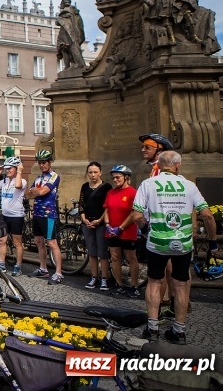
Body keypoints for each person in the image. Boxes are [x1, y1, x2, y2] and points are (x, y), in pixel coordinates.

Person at [130, 151, 218, 344]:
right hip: (183, 244)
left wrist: (146, 229)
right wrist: (213, 241)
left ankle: (152, 329)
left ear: (159, 166)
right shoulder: (189, 185)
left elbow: (136, 216)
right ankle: (179, 331)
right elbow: (208, 216)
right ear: (178, 165)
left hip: (157, 242)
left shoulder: (148, 184)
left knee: (154, 281)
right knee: (179, 285)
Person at [139, 133, 178, 317]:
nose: (143, 150)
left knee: (161, 270)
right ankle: (174, 302)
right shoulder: (154, 169)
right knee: (169, 267)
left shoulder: (159, 171)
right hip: (160, 224)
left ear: (159, 150)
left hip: (159, 225)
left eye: (148, 147)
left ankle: (161, 308)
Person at [25, 150, 64, 285]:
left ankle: (58, 273)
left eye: (44, 163)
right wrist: (36, 192)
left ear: (49, 162)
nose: (42, 165)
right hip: (37, 213)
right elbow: (28, 194)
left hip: (49, 215)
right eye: (40, 163)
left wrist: (37, 192)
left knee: (52, 243)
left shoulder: (54, 176)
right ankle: (43, 269)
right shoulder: (38, 178)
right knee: (39, 242)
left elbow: (42, 191)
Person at [102, 165, 139, 297]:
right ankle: (119, 284)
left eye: (118, 177)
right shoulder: (111, 193)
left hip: (127, 231)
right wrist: (107, 224)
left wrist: (121, 228)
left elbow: (133, 213)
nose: (115, 180)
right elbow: (106, 210)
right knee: (115, 257)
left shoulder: (133, 193)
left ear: (126, 177)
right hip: (111, 230)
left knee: (131, 258)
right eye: (113, 178)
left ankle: (135, 286)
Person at [79, 162, 112, 290]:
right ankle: (94, 277)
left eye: (95, 172)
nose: (93, 175)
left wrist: (99, 220)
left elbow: (107, 206)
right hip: (87, 223)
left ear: (100, 172)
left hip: (101, 223)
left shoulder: (106, 187)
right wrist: (84, 219)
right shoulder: (84, 186)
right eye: (90, 172)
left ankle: (104, 278)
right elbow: (81, 204)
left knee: (102, 252)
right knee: (92, 252)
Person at [0, 157, 26, 276]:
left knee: (17, 242)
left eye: (9, 168)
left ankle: (18, 266)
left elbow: (18, 186)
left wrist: (20, 171)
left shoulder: (22, 180)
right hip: (5, 215)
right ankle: (1, 264)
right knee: (1, 240)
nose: (7, 170)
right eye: (6, 168)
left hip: (16, 216)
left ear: (16, 168)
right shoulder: (4, 181)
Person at [56, 0, 86, 69]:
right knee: (71, 48)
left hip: (67, 33)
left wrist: (59, 18)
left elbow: (58, 22)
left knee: (68, 48)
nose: (60, 5)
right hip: (74, 33)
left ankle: (76, 64)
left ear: (63, 3)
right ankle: (74, 64)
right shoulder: (75, 12)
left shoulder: (65, 11)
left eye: (61, 3)